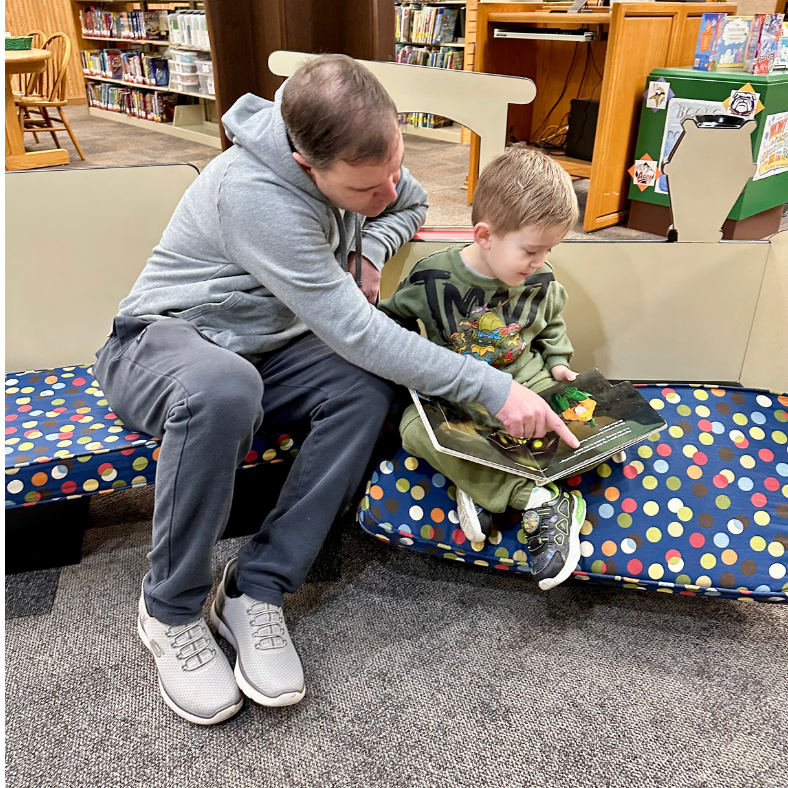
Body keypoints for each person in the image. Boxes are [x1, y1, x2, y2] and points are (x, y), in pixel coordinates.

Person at [93, 55, 577, 726]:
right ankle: (169, 608)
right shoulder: (254, 195)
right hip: (161, 344)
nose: (386, 192)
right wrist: (493, 389)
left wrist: (372, 247)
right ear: (305, 167)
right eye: (362, 191)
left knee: (366, 389)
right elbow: (358, 331)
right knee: (229, 387)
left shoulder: (367, 165)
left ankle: (256, 588)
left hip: (270, 348)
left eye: (391, 168)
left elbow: (408, 201)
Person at [379, 144, 587, 592]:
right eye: (532, 250)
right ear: (484, 235)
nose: (539, 262)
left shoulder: (541, 278)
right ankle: (538, 499)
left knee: (583, 424)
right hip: (455, 390)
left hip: (525, 376)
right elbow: (389, 321)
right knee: (414, 430)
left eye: (549, 249)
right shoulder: (432, 275)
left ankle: (477, 487)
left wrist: (558, 365)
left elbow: (551, 324)